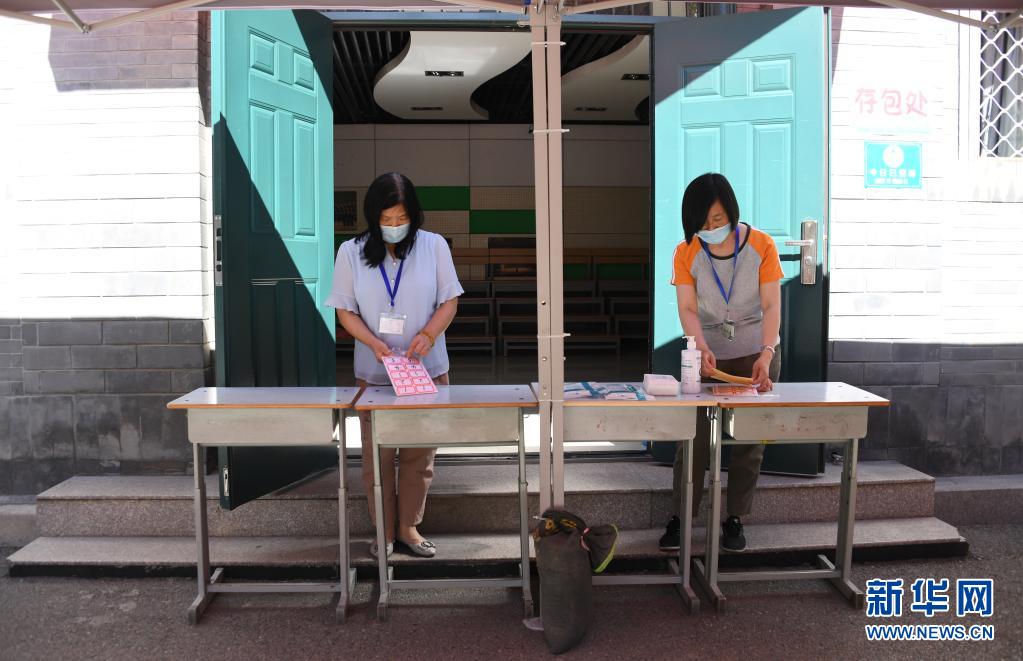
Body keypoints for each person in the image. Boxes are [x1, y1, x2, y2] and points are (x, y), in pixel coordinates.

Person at [326, 172, 462, 558]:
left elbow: (450, 301)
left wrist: (429, 334)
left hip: (426, 369)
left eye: (401, 218)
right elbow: (345, 311)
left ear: (414, 215)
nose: (394, 225)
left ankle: (408, 527)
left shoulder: (434, 246)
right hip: (376, 373)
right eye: (386, 219)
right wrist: (373, 343)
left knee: (419, 455)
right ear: (373, 217)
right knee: (377, 457)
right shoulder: (351, 251)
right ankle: (384, 530)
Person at [659, 172, 783, 553]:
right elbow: (687, 307)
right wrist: (698, 347)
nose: (711, 229)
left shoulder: (761, 245)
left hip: (756, 354)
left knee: (749, 442)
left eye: (717, 219)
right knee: (692, 438)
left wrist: (767, 353)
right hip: (706, 356)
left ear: (731, 212)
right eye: (703, 223)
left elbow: (771, 305)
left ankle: (735, 518)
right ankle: (681, 516)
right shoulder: (686, 252)